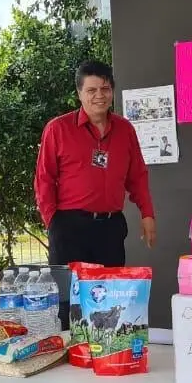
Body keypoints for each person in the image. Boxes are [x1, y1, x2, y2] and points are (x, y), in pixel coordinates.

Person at [35, 60, 156, 265]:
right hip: (69, 229)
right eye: (91, 90)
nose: (99, 95)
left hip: (110, 229)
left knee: (110, 294)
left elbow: (138, 176)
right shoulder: (58, 129)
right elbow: (44, 178)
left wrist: (147, 214)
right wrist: (52, 222)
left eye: (105, 89)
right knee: (71, 296)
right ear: (79, 93)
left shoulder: (125, 130)